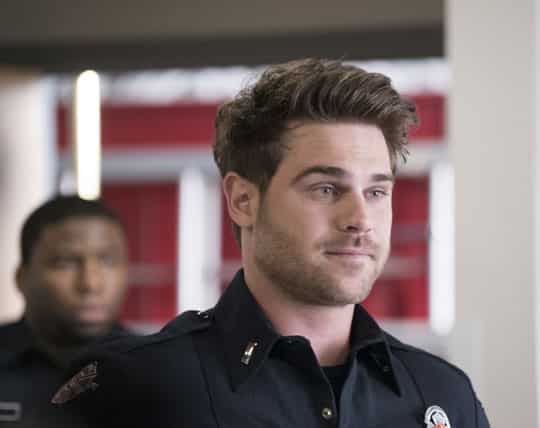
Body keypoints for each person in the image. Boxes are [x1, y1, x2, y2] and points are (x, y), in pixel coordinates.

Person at [55, 58, 490, 428]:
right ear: (243, 200)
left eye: (376, 192)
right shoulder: (132, 388)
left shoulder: (443, 395)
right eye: (326, 189)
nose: (360, 220)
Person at [0, 195, 130, 427]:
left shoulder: (160, 371)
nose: (91, 284)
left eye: (108, 261)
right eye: (65, 263)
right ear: (22, 277)